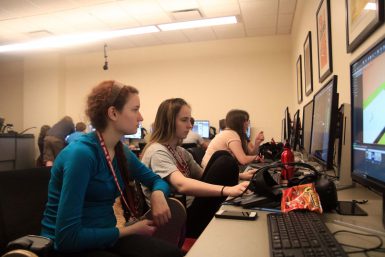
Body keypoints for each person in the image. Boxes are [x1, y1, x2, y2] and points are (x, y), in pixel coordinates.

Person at [41, 81, 182, 257]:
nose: (141, 117)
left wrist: (158, 194)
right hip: (69, 247)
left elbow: (156, 181)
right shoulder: (82, 155)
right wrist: (131, 230)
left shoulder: (120, 150)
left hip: (104, 237)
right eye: (135, 109)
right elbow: (67, 238)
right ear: (113, 113)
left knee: (172, 254)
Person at [141, 98, 249, 238]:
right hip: (179, 221)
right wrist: (227, 190)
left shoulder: (180, 151)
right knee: (224, 161)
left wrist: (240, 177)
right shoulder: (157, 151)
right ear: (169, 122)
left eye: (190, 120)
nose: (190, 125)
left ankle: (235, 204)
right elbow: (181, 185)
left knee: (221, 155)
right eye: (184, 120)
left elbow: (203, 175)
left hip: (190, 209)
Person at [201, 109, 265, 180]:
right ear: (239, 122)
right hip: (211, 173)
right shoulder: (231, 134)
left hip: (217, 169)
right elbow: (243, 160)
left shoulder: (238, 135)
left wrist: (257, 143)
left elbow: (250, 154)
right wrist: (256, 157)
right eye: (246, 121)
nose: (248, 123)